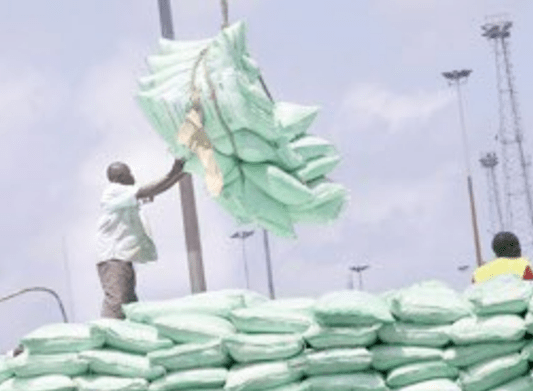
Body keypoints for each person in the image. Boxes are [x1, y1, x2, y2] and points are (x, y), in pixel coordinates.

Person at [96, 158, 186, 319]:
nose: (132, 176)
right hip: (113, 257)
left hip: (123, 258)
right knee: (117, 303)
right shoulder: (114, 190)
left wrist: (183, 172)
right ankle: (105, 334)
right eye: (128, 173)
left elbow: (158, 189)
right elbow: (149, 190)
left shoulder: (125, 196)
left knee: (130, 306)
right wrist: (173, 172)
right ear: (120, 178)